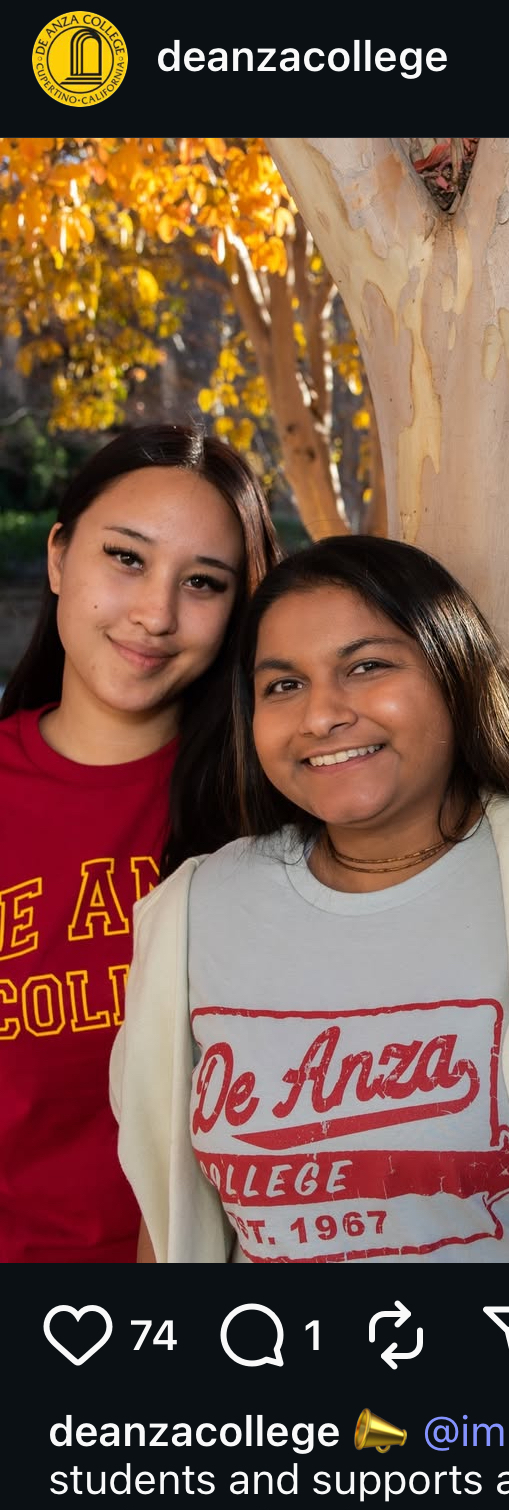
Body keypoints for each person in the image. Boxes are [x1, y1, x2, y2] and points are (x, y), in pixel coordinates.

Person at [110, 535, 509, 1263]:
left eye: (366, 666)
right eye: (282, 685)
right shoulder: (195, 911)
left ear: (454, 672)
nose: (320, 715)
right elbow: (166, 1229)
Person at [0, 423, 280, 1262]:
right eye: (126, 557)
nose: (156, 613)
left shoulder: (271, 811)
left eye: (202, 582)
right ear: (58, 558)